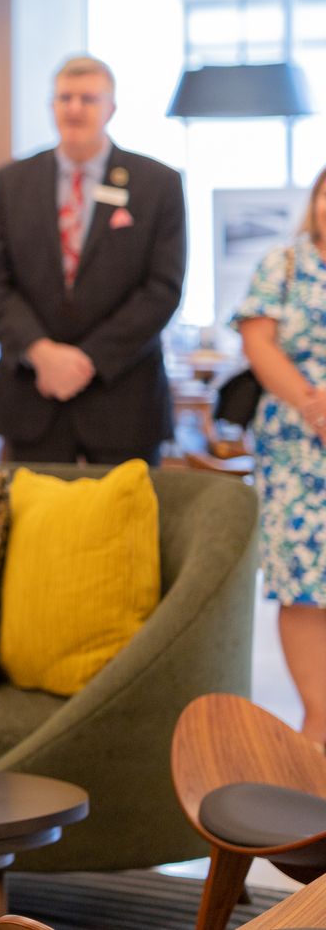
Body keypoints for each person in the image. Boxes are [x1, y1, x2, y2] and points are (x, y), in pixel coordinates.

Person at [0, 55, 185, 465]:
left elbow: (163, 288)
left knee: (124, 526)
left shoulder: (157, 184)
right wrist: (41, 352)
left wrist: (87, 360)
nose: (74, 108)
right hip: (33, 395)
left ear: (111, 108)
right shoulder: (12, 182)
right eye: (64, 98)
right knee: (33, 526)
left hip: (123, 397)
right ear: (51, 106)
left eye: (88, 98)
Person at [234, 165, 326, 743]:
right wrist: (316, 408)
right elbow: (257, 342)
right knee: (304, 583)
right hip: (297, 448)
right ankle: (316, 729)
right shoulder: (285, 263)